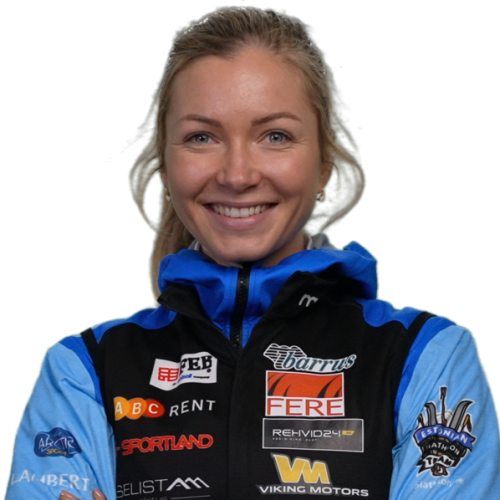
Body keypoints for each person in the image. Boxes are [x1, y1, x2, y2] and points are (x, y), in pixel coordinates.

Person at [5, 5, 499, 500]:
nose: (237, 175)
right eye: (201, 137)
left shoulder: (427, 354)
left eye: (275, 136)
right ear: (167, 169)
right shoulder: (82, 368)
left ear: (323, 166)